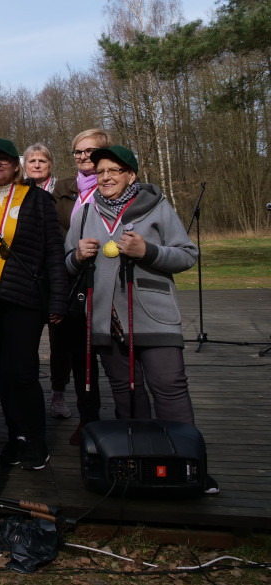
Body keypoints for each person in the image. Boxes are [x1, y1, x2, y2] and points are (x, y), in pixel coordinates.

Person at [65, 146, 200, 425]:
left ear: (131, 175)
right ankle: (137, 461)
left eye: (114, 170)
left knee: (169, 389)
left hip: (154, 317)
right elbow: (66, 264)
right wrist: (77, 256)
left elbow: (187, 254)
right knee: (126, 395)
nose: (105, 177)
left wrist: (148, 251)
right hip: (106, 320)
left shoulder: (156, 206)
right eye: (101, 171)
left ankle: (182, 464)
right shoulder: (85, 213)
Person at [0, 138, 67, 471]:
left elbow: (54, 254)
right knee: (1, 374)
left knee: (24, 372)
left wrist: (58, 299)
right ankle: (15, 437)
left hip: (25, 299)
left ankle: (37, 440)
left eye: (3, 159)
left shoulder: (38, 200)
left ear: (17, 166)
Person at [52, 128, 113, 444]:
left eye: (89, 151)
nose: (82, 157)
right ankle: (88, 419)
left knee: (113, 356)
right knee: (80, 357)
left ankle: (127, 423)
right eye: (77, 151)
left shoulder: (113, 185)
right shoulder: (62, 188)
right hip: (72, 277)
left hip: (108, 278)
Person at [22, 142, 69, 419]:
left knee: (60, 341)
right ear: (24, 166)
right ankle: (29, 390)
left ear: (50, 165)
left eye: (42, 161)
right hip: (27, 277)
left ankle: (59, 392)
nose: (37, 165)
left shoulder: (62, 192)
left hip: (56, 271)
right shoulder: (18, 192)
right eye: (32, 161)